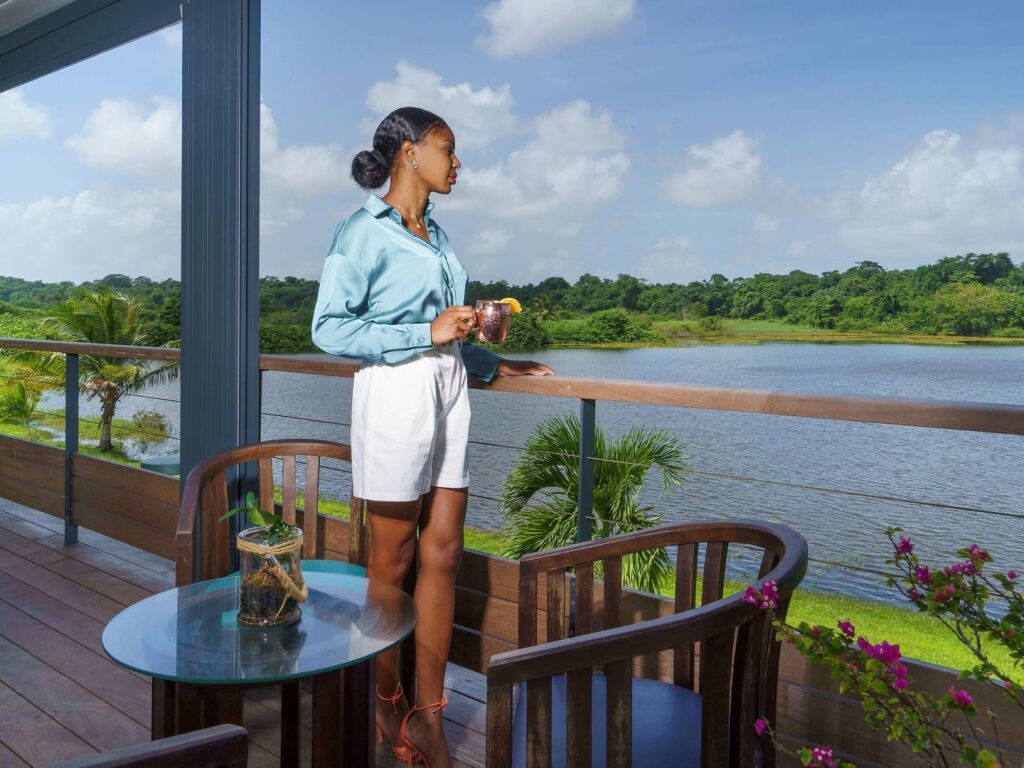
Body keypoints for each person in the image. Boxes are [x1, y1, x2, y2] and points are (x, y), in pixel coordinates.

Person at [311, 106, 553, 768]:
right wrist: (427, 332)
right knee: (392, 562)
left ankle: (429, 716)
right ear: (410, 153)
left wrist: (492, 362)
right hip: (395, 391)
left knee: (443, 553)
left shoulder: (437, 235)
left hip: (449, 386)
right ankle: (384, 701)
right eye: (449, 149)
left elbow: (448, 330)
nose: (458, 162)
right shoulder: (361, 231)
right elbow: (329, 327)